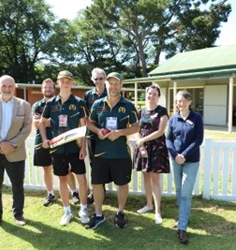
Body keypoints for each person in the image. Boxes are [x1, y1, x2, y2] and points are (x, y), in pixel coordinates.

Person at [86, 72, 139, 229]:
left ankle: (120, 213)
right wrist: (98, 132)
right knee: (97, 183)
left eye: (116, 83)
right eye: (111, 83)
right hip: (101, 153)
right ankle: (98, 214)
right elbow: (90, 123)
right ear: (106, 85)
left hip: (121, 153)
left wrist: (120, 133)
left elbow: (136, 126)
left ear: (121, 85)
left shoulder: (128, 105)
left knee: (122, 184)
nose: (113, 86)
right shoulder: (98, 104)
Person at [0, 75, 32, 231]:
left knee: (17, 187)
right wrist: (0, 143)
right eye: (4, 86)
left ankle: (18, 215)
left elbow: (27, 128)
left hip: (15, 153)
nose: (7, 89)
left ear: (14, 87)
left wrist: (12, 145)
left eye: (10, 86)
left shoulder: (24, 105)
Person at [38, 70, 89, 226]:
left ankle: (84, 209)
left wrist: (83, 147)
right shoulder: (51, 103)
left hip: (75, 147)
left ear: (72, 83)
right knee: (62, 178)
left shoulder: (79, 102)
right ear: (57, 83)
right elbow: (41, 122)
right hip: (58, 148)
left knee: (82, 179)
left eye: (68, 81)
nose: (65, 83)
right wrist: (45, 139)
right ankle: (67, 211)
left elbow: (84, 126)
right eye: (62, 81)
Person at [32, 78, 80, 207]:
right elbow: (37, 124)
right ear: (42, 89)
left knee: (66, 169)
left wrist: (47, 122)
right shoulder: (37, 105)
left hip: (61, 140)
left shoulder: (60, 103)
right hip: (43, 141)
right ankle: (50, 194)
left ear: (55, 88)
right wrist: (51, 122)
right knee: (46, 168)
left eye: (50, 87)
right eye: (45, 87)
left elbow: (64, 121)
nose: (47, 90)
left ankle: (74, 192)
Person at [165, 90, 204, 244]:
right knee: (179, 190)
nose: (180, 104)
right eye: (177, 101)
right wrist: (175, 155)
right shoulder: (173, 119)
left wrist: (184, 155)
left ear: (189, 102)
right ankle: (183, 218)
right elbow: (168, 139)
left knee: (186, 193)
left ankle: (182, 228)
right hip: (175, 159)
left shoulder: (196, 118)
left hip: (191, 160)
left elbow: (198, 139)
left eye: (182, 101)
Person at [133, 84, 170, 224]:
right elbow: (136, 129)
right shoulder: (140, 111)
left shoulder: (162, 111)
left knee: (155, 179)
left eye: (155, 94)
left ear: (158, 96)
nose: (151, 96)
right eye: (149, 93)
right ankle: (149, 205)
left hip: (157, 147)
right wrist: (141, 145)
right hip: (143, 147)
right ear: (146, 94)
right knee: (146, 176)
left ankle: (158, 211)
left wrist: (143, 140)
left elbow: (160, 131)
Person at [83, 68, 107, 204]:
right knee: (94, 163)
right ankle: (96, 191)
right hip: (92, 134)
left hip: (108, 134)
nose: (98, 81)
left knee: (106, 162)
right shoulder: (88, 95)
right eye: (96, 79)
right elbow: (85, 115)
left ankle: (103, 191)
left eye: (101, 78)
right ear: (93, 80)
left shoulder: (111, 93)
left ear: (104, 79)